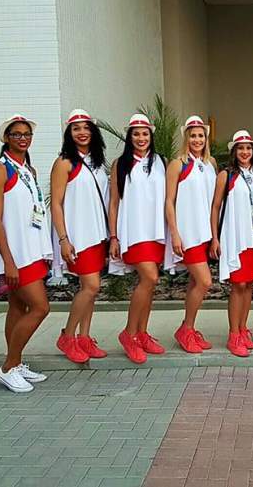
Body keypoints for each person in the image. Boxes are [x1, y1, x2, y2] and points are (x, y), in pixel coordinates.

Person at [0, 114, 51, 393]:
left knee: (18, 306)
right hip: (15, 255)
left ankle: (17, 362)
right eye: (16, 134)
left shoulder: (28, 170)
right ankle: (9, 367)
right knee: (40, 307)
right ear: (6, 139)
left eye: (26, 134)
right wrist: (7, 261)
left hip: (31, 250)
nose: (23, 138)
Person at [108, 114, 168, 364]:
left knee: (151, 284)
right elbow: (113, 203)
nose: (141, 138)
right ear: (129, 137)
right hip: (133, 232)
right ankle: (129, 333)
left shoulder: (161, 162)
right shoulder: (120, 164)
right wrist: (113, 236)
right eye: (136, 133)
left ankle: (142, 333)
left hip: (155, 232)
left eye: (145, 133)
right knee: (149, 278)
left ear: (150, 136)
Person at [51, 109, 109, 364]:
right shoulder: (64, 162)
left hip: (98, 235)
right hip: (78, 236)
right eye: (76, 128)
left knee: (92, 290)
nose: (82, 132)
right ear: (69, 133)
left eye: (86, 128)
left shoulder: (97, 161)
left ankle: (84, 337)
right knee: (91, 286)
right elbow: (56, 203)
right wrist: (63, 239)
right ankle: (67, 335)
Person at [210, 130, 253, 357]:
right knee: (238, 285)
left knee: (249, 284)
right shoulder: (226, 175)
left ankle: (244, 329)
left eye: (248, 148)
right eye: (240, 148)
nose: (245, 152)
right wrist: (215, 238)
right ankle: (233, 334)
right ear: (233, 152)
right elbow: (215, 207)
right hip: (235, 238)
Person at [165, 115, 217, 353]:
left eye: (201, 135)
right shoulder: (178, 163)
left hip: (204, 234)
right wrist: (175, 233)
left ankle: (189, 328)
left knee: (196, 282)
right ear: (186, 137)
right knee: (205, 281)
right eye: (193, 135)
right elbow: (169, 201)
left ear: (206, 138)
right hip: (188, 234)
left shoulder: (210, 164)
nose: (197, 139)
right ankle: (185, 329)